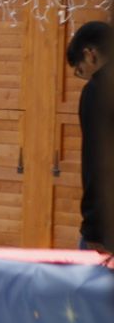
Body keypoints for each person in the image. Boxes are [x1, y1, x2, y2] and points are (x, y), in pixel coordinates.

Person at [68, 20, 111, 253]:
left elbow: (97, 160)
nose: (85, 79)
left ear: (90, 54)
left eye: (81, 71)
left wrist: (93, 226)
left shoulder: (98, 90)